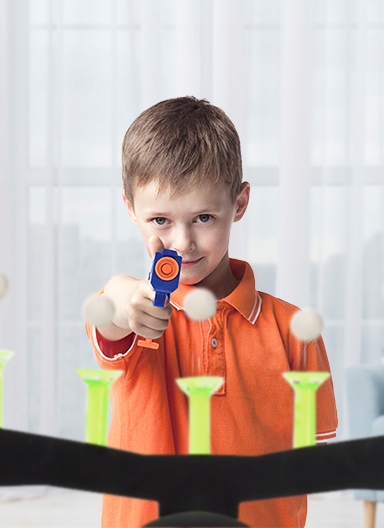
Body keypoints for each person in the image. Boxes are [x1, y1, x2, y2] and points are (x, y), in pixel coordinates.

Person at [84, 96, 337, 528]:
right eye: (160, 220)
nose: (183, 243)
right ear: (130, 209)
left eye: (203, 217)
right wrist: (126, 297)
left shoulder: (294, 330)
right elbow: (111, 313)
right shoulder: (140, 314)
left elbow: (314, 459)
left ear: (239, 203)